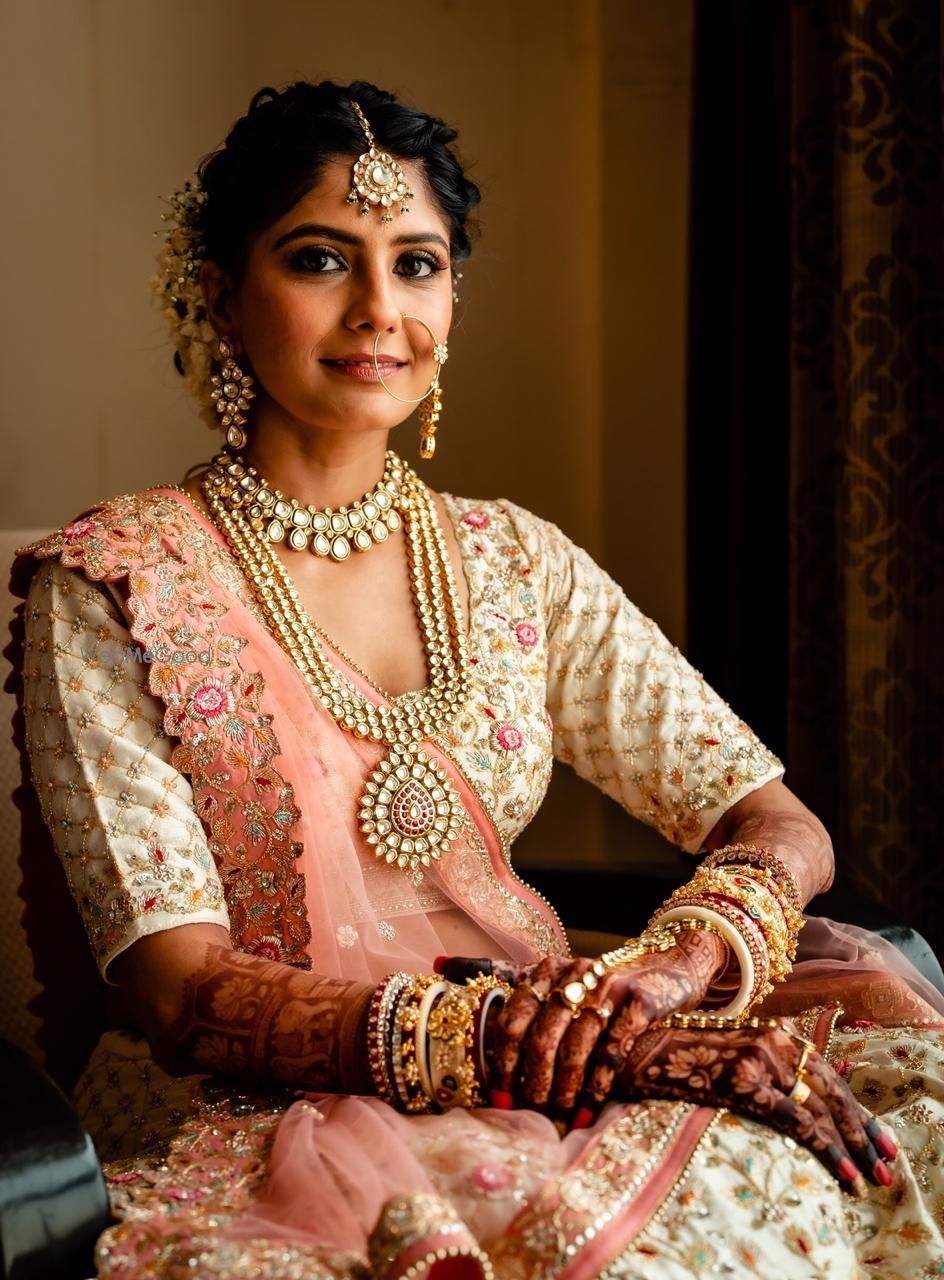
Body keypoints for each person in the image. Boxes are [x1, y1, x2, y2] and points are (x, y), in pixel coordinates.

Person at [11, 79, 944, 1279]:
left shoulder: (510, 559)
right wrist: (588, 1048)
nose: (376, 311)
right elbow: (184, 995)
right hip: (261, 1114)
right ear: (218, 295)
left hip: (564, 1060)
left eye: (415, 264)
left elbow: (770, 818)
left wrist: (658, 979)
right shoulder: (114, 583)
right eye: (318, 259)